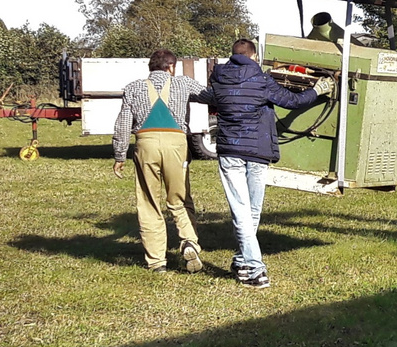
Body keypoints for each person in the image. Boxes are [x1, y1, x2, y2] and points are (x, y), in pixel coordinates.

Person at [194, 38, 333, 289]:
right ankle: (257, 270)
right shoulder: (262, 80)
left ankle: (241, 260)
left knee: (245, 211)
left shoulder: (219, 79)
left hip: (230, 152)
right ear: (254, 56)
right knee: (249, 211)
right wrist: (319, 89)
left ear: (232, 55)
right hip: (257, 152)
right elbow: (293, 101)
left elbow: (210, 97)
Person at [112, 49, 207, 272]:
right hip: (176, 144)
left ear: (151, 68)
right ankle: (189, 240)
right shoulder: (184, 83)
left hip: (146, 144)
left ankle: (157, 262)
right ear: (171, 67)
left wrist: (119, 155)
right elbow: (209, 95)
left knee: (148, 202)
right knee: (179, 198)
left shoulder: (133, 88)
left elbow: (123, 124)